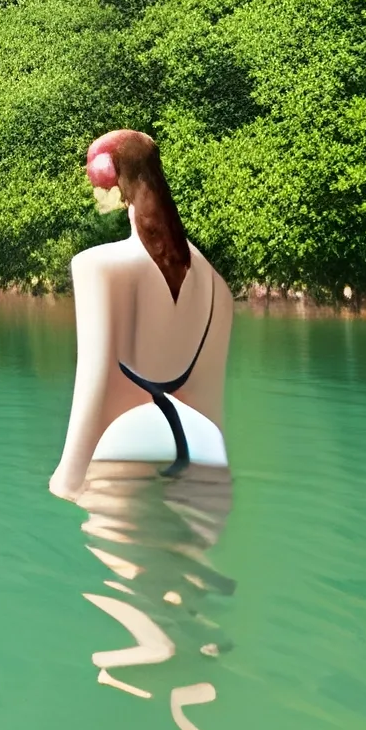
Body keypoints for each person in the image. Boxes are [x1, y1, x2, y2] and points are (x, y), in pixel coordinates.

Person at [49, 129, 233, 500]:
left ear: (114, 182)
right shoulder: (217, 285)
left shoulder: (96, 266)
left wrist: (69, 479)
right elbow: (206, 401)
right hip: (204, 450)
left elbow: (97, 380)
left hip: (129, 444)